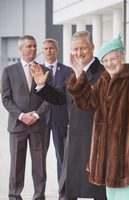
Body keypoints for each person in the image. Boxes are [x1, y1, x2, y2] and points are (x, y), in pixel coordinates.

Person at [31, 35, 129, 200]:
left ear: (121, 58)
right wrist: (49, 84)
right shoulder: (98, 79)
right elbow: (83, 101)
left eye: (113, 59)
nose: (109, 63)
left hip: (128, 153)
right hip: (102, 151)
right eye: (106, 60)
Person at [33, 31, 107, 200]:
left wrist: (80, 75)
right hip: (73, 140)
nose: (79, 53)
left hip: (94, 141)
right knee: (68, 189)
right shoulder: (74, 72)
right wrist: (42, 86)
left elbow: (91, 101)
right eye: (75, 49)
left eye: (83, 48)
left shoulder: (103, 74)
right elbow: (60, 97)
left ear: (92, 47)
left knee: (98, 192)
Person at [1, 35, 50, 200]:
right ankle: (14, 196)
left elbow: (49, 98)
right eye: (29, 46)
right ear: (20, 49)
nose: (33, 49)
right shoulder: (9, 71)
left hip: (38, 125)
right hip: (17, 125)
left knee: (39, 167)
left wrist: (36, 115)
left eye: (35, 46)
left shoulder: (43, 70)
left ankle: (39, 197)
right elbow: (6, 99)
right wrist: (22, 116)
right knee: (16, 166)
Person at [42, 38, 71, 198]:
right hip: (41, 120)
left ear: (57, 50)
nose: (48, 51)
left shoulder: (67, 71)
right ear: (43, 51)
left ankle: (63, 193)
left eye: (51, 48)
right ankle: (39, 193)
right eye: (45, 48)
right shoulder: (36, 70)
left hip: (61, 119)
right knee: (39, 159)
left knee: (62, 157)